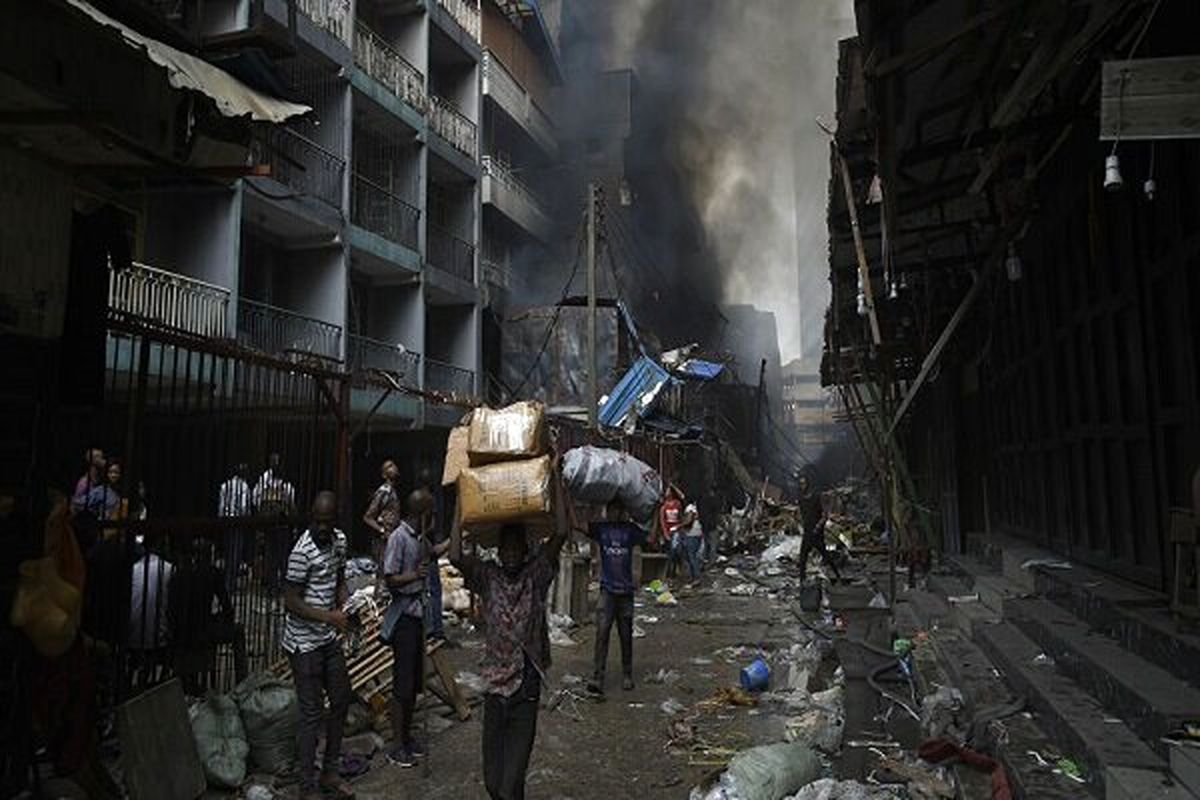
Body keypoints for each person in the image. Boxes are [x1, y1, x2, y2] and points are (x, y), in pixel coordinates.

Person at [449, 473, 569, 800]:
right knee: (494, 784)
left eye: (517, 548)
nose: (512, 553)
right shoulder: (488, 577)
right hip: (494, 687)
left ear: (526, 549)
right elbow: (457, 556)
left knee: (510, 781)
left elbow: (560, 532)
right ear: (499, 551)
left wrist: (555, 479)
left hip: (525, 687)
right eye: (507, 548)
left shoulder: (537, 574)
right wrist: (462, 500)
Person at [281, 491, 354, 800]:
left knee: (341, 700)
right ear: (312, 518)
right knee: (311, 714)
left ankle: (330, 773)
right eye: (318, 521)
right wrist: (329, 617)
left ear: (335, 519)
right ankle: (306, 786)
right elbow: (291, 601)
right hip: (303, 642)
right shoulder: (301, 551)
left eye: (328, 521)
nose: (323, 528)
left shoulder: (339, 541)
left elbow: (338, 580)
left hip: (326, 638)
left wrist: (347, 604)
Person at [381, 490, 433, 768]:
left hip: (418, 617)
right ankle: (396, 745)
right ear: (422, 513)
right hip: (403, 618)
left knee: (413, 683)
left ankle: (408, 738)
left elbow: (433, 554)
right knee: (402, 685)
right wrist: (415, 575)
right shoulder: (398, 538)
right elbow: (390, 579)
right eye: (431, 512)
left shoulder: (419, 539)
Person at [168, 537, 247, 695]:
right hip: (203, 630)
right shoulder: (213, 573)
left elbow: (171, 609)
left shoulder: (178, 574)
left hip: (180, 632)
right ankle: (242, 683)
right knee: (238, 633)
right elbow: (227, 607)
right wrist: (222, 618)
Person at [583, 501, 646, 696]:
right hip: (607, 590)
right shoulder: (601, 529)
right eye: (610, 510)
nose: (613, 513)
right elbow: (580, 525)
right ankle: (597, 676)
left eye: (617, 510)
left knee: (625, 635)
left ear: (623, 511)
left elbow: (649, 535)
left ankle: (627, 673)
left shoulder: (630, 530)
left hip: (625, 591)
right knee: (602, 633)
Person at [416, 466, 448, 644]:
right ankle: (434, 630)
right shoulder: (429, 500)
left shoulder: (419, 498)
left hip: (425, 548)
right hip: (427, 550)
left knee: (428, 590)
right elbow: (431, 525)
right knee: (432, 591)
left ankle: (431, 629)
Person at [254, 453, 296, 591]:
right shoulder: (282, 485)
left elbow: (256, 500)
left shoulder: (269, 484)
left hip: (275, 526)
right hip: (276, 526)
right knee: (277, 556)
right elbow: (292, 507)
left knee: (275, 556)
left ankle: (276, 585)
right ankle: (277, 585)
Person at [796, 473, 841, 583]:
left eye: (804, 484)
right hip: (807, 532)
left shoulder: (816, 497)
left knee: (825, 554)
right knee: (803, 558)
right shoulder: (801, 500)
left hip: (816, 532)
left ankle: (838, 576)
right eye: (800, 484)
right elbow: (801, 515)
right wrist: (801, 524)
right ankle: (802, 581)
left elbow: (825, 515)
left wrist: (817, 527)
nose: (802, 486)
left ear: (808, 484)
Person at [218, 463, 252, 592]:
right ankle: (229, 583)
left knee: (227, 553)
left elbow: (221, 506)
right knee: (235, 553)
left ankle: (227, 581)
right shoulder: (243, 487)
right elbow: (243, 507)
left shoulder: (225, 485)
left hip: (226, 522)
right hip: (237, 522)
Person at [362, 459, 401, 572]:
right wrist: (382, 530)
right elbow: (367, 517)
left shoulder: (392, 491)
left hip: (391, 537)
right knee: (383, 573)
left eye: (393, 464)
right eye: (389, 466)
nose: (393, 467)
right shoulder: (383, 492)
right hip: (383, 540)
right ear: (384, 475)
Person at [71, 448, 105, 513]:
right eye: (97, 457)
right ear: (90, 460)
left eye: (102, 457)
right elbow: (76, 504)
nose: (102, 460)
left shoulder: (102, 480)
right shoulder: (84, 482)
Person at [680, 502, 703, 585]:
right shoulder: (698, 506)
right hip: (698, 532)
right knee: (692, 555)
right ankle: (694, 577)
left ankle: (696, 577)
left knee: (691, 556)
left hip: (691, 533)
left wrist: (679, 526)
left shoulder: (690, 507)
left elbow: (688, 521)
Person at [659, 485, 683, 553]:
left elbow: (680, 517)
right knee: (669, 548)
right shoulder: (663, 506)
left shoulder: (677, 503)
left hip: (676, 528)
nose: (668, 493)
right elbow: (662, 520)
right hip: (667, 528)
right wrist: (665, 533)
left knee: (675, 547)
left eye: (669, 491)